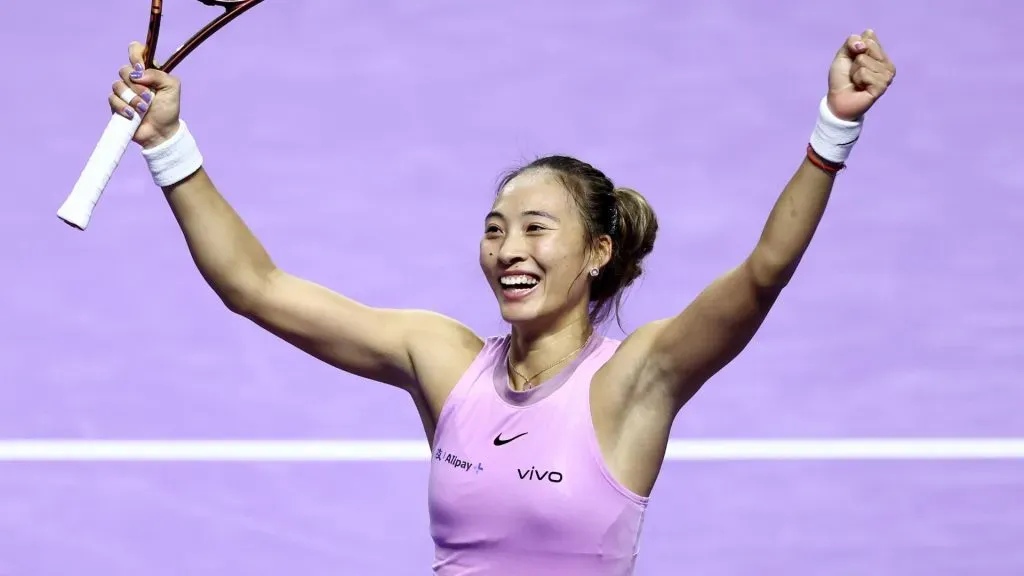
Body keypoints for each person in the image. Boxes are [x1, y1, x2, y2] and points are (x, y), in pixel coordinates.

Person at [108, 28, 895, 575]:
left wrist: (833, 131)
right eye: (495, 230)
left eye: (535, 230)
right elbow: (257, 288)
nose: (509, 250)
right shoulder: (442, 361)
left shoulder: (635, 382)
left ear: (597, 253)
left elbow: (764, 272)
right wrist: (169, 144)